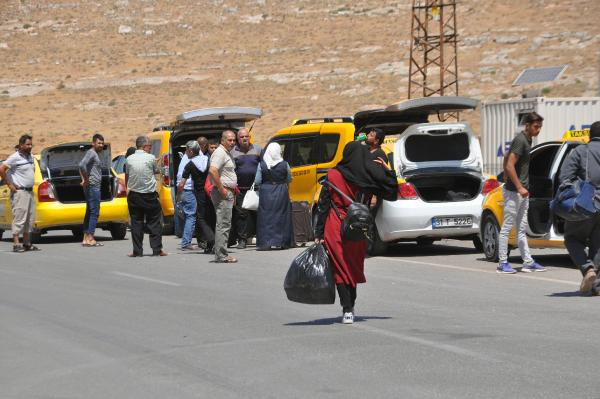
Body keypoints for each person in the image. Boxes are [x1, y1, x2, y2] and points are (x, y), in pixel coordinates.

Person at [313, 141, 397, 324]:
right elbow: (392, 191)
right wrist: (387, 170)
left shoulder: (333, 174)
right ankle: (351, 306)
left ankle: (347, 309)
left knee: (340, 269)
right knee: (352, 267)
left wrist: (318, 233)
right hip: (359, 228)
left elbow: (323, 205)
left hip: (335, 227)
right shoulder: (368, 178)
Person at [497, 112, 546, 274]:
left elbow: (506, 157)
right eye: (535, 126)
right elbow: (511, 164)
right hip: (513, 192)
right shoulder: (521, 140)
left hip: (522, 192)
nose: (538, 129)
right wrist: (518, 187)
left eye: (540, 127)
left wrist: (505, 172)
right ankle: (502, 263)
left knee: (521, 228)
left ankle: (528, 262)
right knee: (507, 228)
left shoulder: (527, 139)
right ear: (527, 125)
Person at [559, 121, 600, 294]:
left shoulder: (580, 151)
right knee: (598, 245)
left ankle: (587, 269)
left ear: (590, 135)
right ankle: (597, 286)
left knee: (572, 238)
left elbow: (564, 177)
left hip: (586, 203)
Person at [125, 136, 167, 257]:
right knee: (154, 222)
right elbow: (155, 171)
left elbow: (128, 176)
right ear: (144, 146)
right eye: (150, 146)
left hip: (134, 195)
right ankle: (157, 250)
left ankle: (137, 251)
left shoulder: (129, 159)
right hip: (149, 195)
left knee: (136, 223)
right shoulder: (151, 158)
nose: (150, 149)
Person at [0, 134, 39, 253]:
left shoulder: (30, 156)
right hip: (19, 192)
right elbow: (1, 169)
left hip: (29, 192)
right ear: (21, 145)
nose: (30, 146)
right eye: (27, 144)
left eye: (31, 144)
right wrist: (10, 184)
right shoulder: (14, 157)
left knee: (29, 219)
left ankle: (26, 243)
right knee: (19, 218)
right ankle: (16, 244)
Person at [254, 142, 294, 250]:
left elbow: (257, 181)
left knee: (266, 217)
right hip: (281, 191)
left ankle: (266, 242)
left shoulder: (261, 164)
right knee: (282, 216)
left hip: (266, 192)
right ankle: (282, 241)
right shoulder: (285, 164)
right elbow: (289, 178)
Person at [208, 130, 238, 263]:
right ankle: (221, 255)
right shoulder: (220, 153)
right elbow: (212, 170)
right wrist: (222, 189)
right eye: (229, 140)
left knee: (225, 222)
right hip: (223, 192)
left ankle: (221, 252)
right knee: (223, 223)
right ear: (222, 140)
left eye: (233, 140)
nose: (232, 142)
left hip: (227, 191)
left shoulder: (226, 153)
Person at [230, 127, 262, 249]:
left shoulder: (258, 150)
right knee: (241, 215)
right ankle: (242, 240)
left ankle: (260, 238)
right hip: (239, 189)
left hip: (255, 188)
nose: (244, 139)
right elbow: (231, 170)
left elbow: (263, 167)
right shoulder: (233, 152)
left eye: (246, 136)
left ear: (250, 137)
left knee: (257, 213)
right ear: (238, 139)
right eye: (241, 137)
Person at [175, 141, 204, 250]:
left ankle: (186, 240)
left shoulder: (185, 158)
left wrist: (178, 195)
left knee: (188, 215)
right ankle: (186, 242)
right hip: (188, 190)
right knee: (191, 216)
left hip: (183, 190)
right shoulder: (197, 158)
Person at [79, 133, 105, 247]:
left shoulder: (94, 154)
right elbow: (81, 165)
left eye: (102, 143)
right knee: (95, 212)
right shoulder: (91, 153)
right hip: (93, 187)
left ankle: (85, 238)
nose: (101, 145)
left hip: (92, 186)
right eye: (99, 143)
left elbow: (81, 166)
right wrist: (85, 179)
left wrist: (84, 179)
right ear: (93, 143)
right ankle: (90, 237)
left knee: (90, 211)